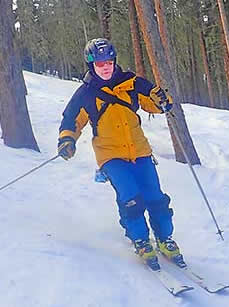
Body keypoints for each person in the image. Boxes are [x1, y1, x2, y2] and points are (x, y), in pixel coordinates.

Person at [57, 38, 184, 270]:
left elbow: (153, 101)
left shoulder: (132, 82)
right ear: (91, 66)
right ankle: (141, 240)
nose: (105, 67)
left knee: (155, 197)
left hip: (140, 151)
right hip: (111, 156)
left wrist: (163, 101)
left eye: (109, 62)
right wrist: (67, 139)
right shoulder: (85, 94)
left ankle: (165, 239)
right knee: (131, 198)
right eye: (99, 63)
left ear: (115, 61)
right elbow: (71, 120)